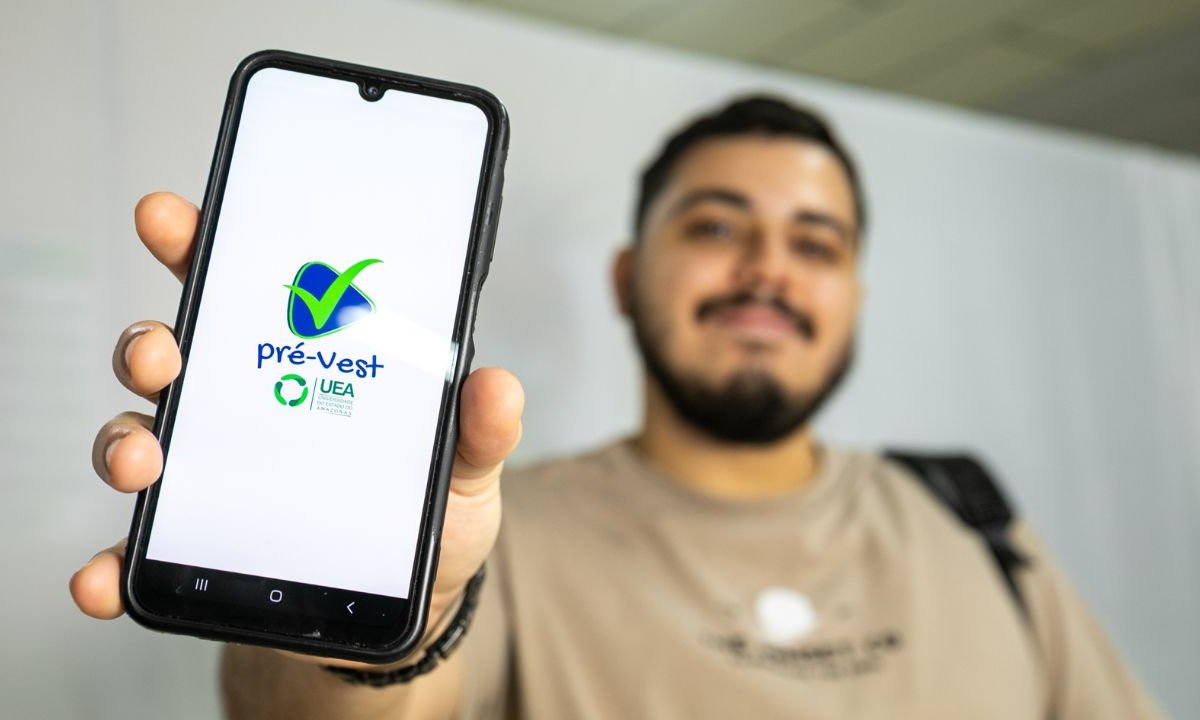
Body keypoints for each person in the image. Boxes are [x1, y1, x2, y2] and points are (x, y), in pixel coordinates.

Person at [73, 97, 1162, 719]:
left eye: (815, 244)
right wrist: (362, 620)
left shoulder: (972, 517)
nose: (767, 271)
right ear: (626, 277)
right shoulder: (492, 533)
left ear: (853, 298)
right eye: (717, 227)